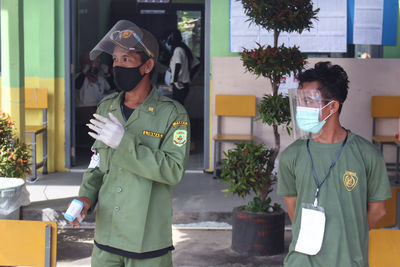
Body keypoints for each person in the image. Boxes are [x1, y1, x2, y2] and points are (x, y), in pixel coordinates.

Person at [68, 20, 190, 267]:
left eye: (126, 59)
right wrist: (86, 196)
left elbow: (173, 171)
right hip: (106, 240)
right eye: (114, 60)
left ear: (147, 65)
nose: (117, 66)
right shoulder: (107, 107)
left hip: (148, 245)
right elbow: (98, 162)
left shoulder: (172, 114)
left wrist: (124, 143)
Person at [277, 62, 391, 266]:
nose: (302, 108)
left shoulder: (367, 155)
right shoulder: (291, 156)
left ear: (333, 106)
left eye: (309, 101)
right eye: (300, 101)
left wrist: (349, 236)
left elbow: (378, 210)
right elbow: (293, 208)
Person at [165, 29, 199, 105]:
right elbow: (197, 63)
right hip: (185, 84)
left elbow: (178, 65)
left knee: (177, 106)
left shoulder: (177, 50)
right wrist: (189, 76)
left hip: (179, 85)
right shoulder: (184, 48)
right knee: (180, 105)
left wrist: (175, 80)